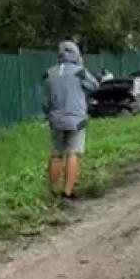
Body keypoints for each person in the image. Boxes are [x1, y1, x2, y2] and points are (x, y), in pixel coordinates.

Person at [42, 40, 99, 198]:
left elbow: (45, 101)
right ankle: (68, 191)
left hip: (56, 120)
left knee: (56, 154)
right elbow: (94, 86)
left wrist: (49, 114)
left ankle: (54, 190)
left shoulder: (50, 73)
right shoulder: (80, 72)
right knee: (73, 153)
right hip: (77, 120)